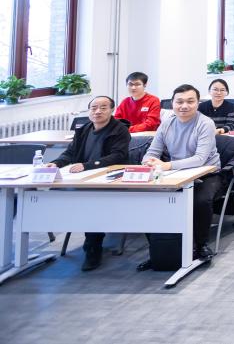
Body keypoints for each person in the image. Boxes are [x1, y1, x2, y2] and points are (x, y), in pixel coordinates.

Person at [140, 84, 221, 265]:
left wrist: (167, 165)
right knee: (149, 200)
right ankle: (158, 248)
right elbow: (152, 151)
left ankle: (201, 245)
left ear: (198, 103)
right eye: (179, 102)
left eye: (190, 101)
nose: (184, 106)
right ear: (172, 103)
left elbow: (200, 159)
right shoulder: (167, 123)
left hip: (207, 173)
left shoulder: (205, 123)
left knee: (200, 201)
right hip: (176, 173)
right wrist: (148, 162)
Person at [46, 95, 130, 271]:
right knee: (55, 197)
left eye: (103, 108)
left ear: (112, 110)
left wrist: (87, 165)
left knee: (93, 203)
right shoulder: (84, 129)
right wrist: (56, 163)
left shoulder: (120, 129)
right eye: (94, 108)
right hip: (83, 179)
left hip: (108, 179)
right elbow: (70, 153)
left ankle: (93, 247)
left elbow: (118, 156)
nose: (98, 111)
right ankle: (90, 239)